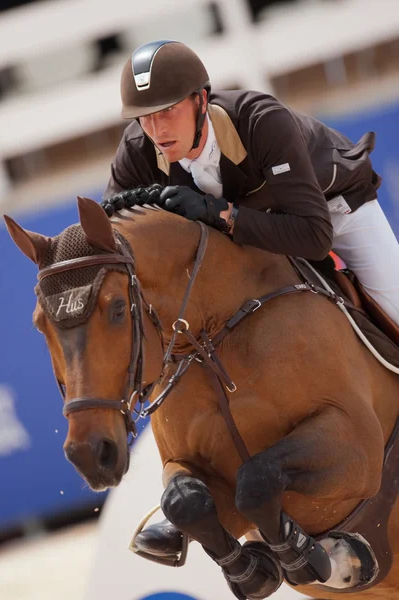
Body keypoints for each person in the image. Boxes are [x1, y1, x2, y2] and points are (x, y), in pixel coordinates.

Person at [102, 39, 399, 558]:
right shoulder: (138, 151)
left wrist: (220, 215)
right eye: (145, 118)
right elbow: (119, 245)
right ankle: (184, 496)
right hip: (236, 239)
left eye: (167, 111)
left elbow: (312, 236)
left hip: (328, 211)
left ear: (201, 99)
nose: (156, 130)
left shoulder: (261, 121)